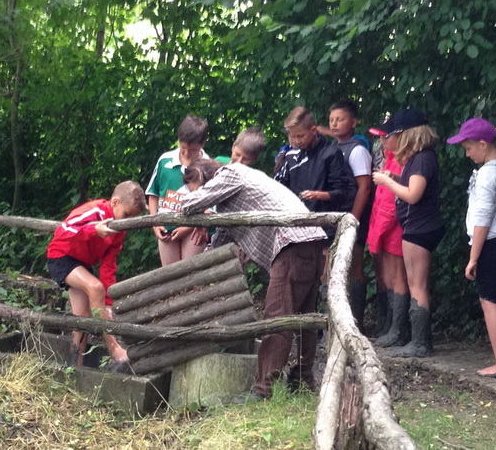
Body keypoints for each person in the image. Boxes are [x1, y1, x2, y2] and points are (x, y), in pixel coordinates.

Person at [181, 159, 327, 400]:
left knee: (277, 317)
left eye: (198, 186)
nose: (200, 193)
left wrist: (201, 215)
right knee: (304, 316)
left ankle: (264, 390)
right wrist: (199, 275)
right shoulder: (234, 195)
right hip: (308, 239)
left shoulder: (231, 173)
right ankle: (302, 379)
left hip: (292, 243)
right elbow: (221, 243)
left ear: (206, 177)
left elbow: (188, 205)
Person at [447, 118, 496, 378]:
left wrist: (473, 257)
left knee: (489, 301)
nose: (467, 154)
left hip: (492, 241)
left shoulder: (487, 175)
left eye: (469, 148)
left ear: (483, 144)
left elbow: (483, 219)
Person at [46, 181, 146, 368]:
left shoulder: (119, 230)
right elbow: (63, 230)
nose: (127, 221)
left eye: (132, 217)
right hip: (61, 256)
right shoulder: (95, 211)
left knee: (82, 318)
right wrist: (93, 230)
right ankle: (114, 349)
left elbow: (108, 266)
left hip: (82, 264)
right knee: (95, 287)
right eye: (126, 215)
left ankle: (75, 367)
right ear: (115, 202)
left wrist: (107, 302)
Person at [373, 108, 444, 357]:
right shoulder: (419, 158)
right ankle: (418, 340)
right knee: (415, 283)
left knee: (417, 285)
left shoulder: (422, 159)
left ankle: (420, 343)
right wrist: (395, 175)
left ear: (407, 134)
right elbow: (412, 184)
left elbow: (413, 195)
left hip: (419, 228)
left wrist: (387, 182)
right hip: (418, 226)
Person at [327, 100, 373, 331]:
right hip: (334, 218)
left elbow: (364, 187)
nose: (334, 124)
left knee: (354, 265)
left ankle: (356, 323)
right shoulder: (332, 148)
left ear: (353, 123)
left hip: (353, 218)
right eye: (331, 120)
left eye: (340, 119)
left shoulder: (357, 150)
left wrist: (353, 220)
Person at [274, 106, 350, 241]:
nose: (297, 141)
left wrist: (319, 195)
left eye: (300, 136)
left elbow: (343, 193)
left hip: (325, 228)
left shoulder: (331, 153)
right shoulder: (291, 155)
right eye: (293, 136)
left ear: (313, 131)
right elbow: (279, 188)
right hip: (295, 227)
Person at [146, 114, 209, 266]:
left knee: (190, 273)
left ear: (202, 144)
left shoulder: (208, 165)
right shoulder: (165, 160)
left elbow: (211, 207)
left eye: (192, 150)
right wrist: (155, 223)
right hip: (165, 226)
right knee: (170, 273)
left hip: (194, 228)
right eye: (183, 148)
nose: (186, 153)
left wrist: (187, 228)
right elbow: (153, 194)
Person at [368, 122, 409, 346]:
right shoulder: (388, 158)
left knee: (397, 276)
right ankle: (390, 324)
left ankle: (398, 329)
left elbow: (391, 204)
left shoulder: (402, 162)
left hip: (394, 228)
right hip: (382, 226)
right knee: (387, 276)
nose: (381, 142)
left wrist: (378, 234)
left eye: (385, 137)